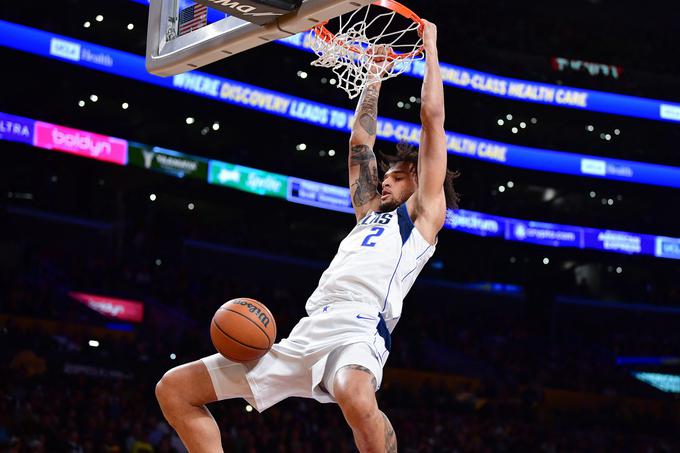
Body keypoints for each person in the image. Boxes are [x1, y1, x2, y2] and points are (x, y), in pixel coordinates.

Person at [155, 19, 459, 453]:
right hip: (308, 329)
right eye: (385, 176)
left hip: (359, 328)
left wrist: (430, 48)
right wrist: (373, 74)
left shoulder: (424, 216)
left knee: (355, 395)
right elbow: (360, 142)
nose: (386, 181)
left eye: (396, 176)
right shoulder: (369, 213)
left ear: (420, 182)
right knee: (175, 389)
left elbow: (433, 121)